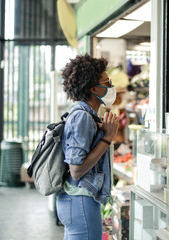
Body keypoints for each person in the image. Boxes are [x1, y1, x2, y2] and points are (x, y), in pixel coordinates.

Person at [56, 54, 119, 240]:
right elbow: (76, 170)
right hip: (80, 201)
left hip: (78, 201)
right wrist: (107, 138)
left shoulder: (88, 115)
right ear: (93, 88)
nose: (111, 87)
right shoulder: (82, 116)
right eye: (107, 83)